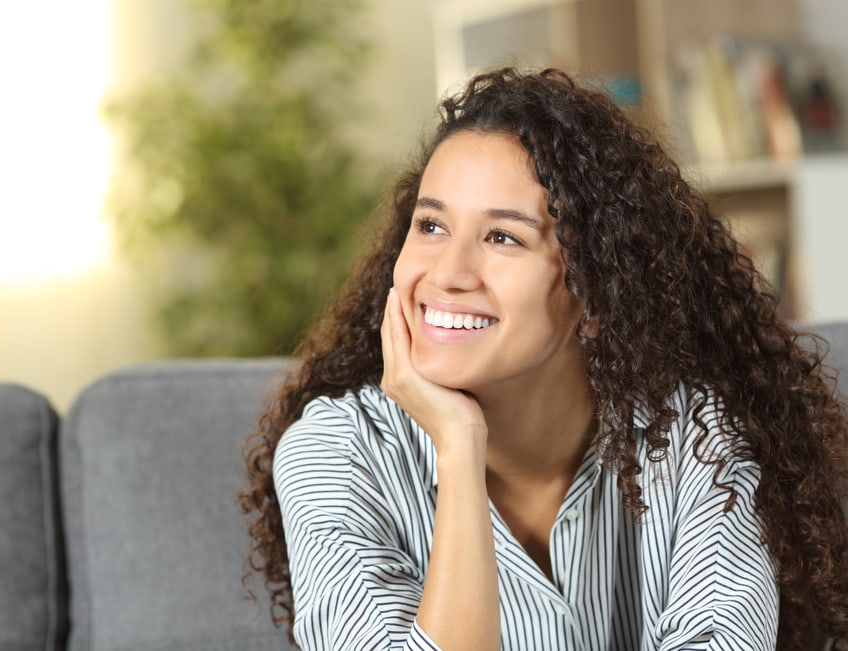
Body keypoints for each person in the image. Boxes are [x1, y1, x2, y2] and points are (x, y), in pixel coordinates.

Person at [240, 65, 848, 650]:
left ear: (598, 290)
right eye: (430, 226)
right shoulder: (333, 455)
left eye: (503, 236)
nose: (447, 274)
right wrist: (457, 449)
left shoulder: (691, 440)